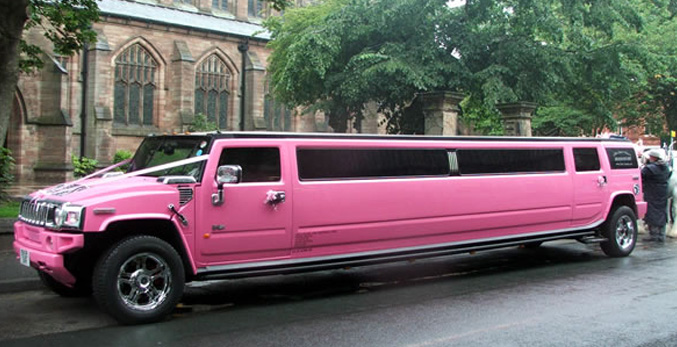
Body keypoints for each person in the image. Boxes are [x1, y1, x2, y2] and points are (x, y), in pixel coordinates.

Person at [641, 148, 670, 242]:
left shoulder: (649, 168)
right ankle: (661, 234)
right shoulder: (665, 167)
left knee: (651, 212)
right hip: (663, 191)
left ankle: (653, 234)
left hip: (651, 192)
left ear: (652, 157)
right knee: (662, 211)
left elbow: (641, 176)